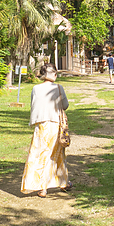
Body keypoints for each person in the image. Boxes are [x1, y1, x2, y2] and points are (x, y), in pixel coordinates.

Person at [21, 63, 71, 198]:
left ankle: (43, 186)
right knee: (57, 153)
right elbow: (65, 105)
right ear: (53, 74)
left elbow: (33, 105)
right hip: (55, 124)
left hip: (41, 124)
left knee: (40, 154)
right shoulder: (58, 88)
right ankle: (61, 182)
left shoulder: (36, 88)